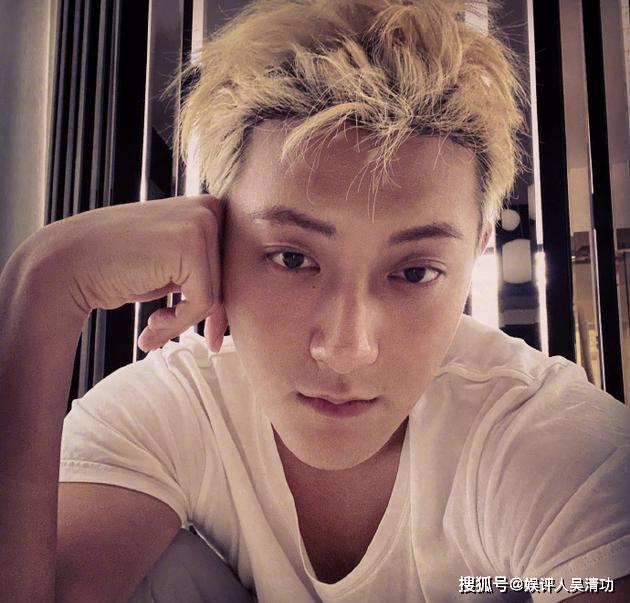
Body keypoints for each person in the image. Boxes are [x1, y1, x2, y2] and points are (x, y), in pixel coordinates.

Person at [1, 0, 628, 601]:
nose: (345, 349)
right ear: (218, 239)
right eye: (292, 259)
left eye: (415, 272)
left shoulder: (545, 441)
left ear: (475, 255)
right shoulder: (177, 406)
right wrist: (43, 284)